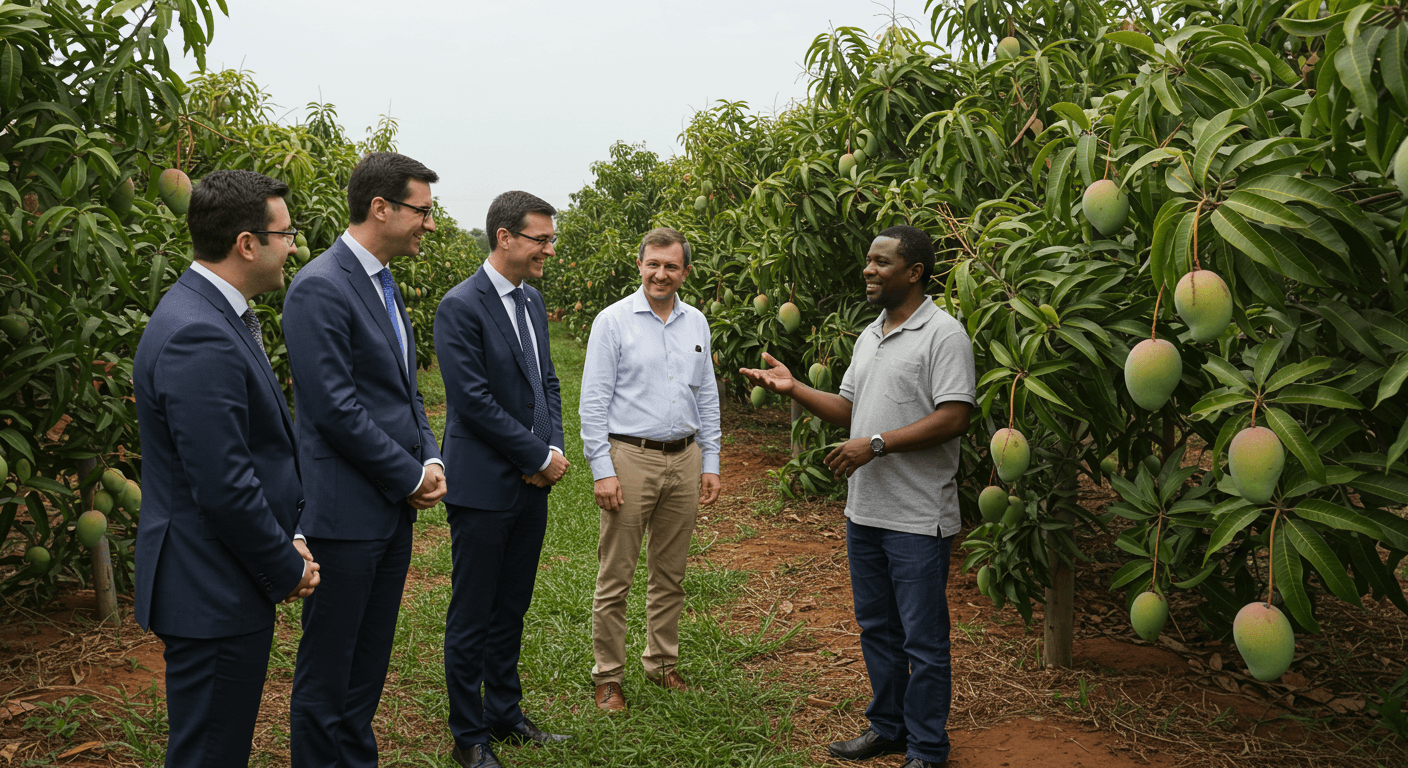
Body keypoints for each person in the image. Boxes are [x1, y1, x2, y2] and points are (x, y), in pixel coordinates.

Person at [740, 226, 974, 768]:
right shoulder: (870, 334)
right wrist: (795, 388)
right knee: (877, 629)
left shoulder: (944, 334)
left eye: (881, 262)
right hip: (865, 511)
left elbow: (955, 416)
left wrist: (877, 444)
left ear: (914, 273)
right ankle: (888, 727)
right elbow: (850, 407)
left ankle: (928, 749)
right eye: (868, 260)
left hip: (918, 517)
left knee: (923, 641)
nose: (868, 269)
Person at [133, 169, 320, 768]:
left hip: (215, 575)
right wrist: (284, 566)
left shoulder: (208, 313)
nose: (292, 246)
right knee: (211, 751)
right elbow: (223, 486)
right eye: (285, 234)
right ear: (247, 244)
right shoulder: (199, 333)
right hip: (210, 583)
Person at [282, 152, 448, 768]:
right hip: (345, 513)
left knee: (367, 664)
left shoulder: (383, 282)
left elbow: (404, 392)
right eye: (422, 211)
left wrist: (430, 456)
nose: (430, 223)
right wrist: (408, 476)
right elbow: (335, 409)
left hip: (387, 511)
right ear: (381, 208)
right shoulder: (321, 286)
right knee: (329, 671)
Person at [434, 191, 571, 768]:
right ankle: (469, 734)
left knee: (511, 605)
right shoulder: (460, 306)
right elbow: (473, 402)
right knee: (473, 613)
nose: (549, 249)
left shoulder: (531, 301)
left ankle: (505, 713)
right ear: (505, 237)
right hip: (484, 484)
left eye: (551, 239)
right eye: (541, 239)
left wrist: (553, 446)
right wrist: (536, 455)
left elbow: (547, 383)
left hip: (530, 484)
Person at [578, 227, 721, 711]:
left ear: (685, 271)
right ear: (639, 265)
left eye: (671, 266)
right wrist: (602, 469)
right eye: (653, 264)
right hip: (630, 457)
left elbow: (707, 396)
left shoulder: (696, 322)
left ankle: (661, 663)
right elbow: (593, 401)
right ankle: (608, 677)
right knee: (616, 575)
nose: (661, 274)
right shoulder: (613, 321)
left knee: (670, 573)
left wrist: (711, 460)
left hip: (685, 457)